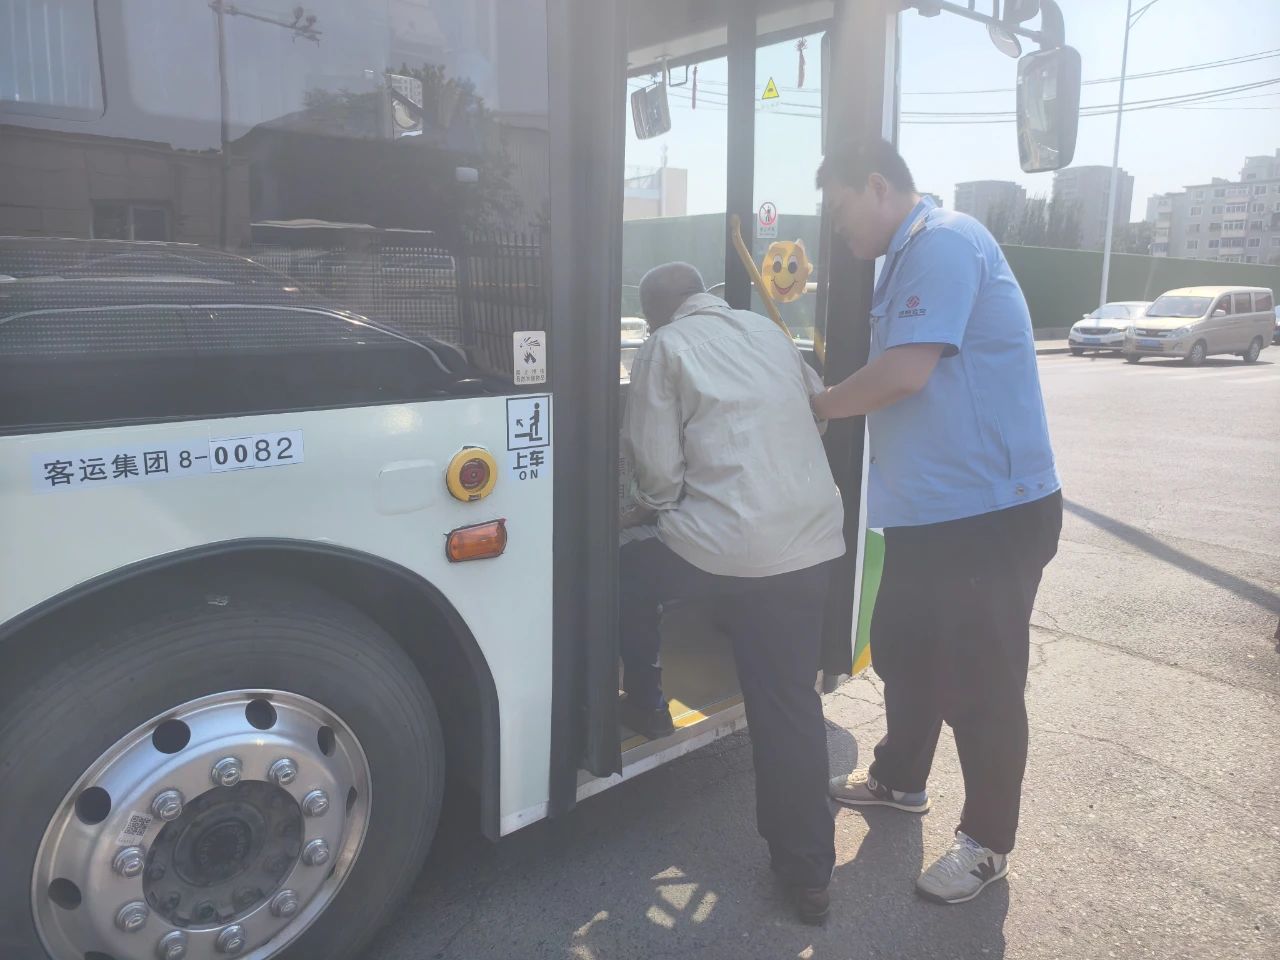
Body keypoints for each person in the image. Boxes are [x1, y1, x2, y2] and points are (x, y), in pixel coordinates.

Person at [812, 139, 1062, 906]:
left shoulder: (943, 243)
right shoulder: (902, 261)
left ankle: (987, 844)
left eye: (841, 210)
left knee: (982, 684)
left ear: (877, 185)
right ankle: (900, 780)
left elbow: (906, 372)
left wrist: (816, 406)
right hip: (931, 514)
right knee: (904, 649)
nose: (838, 230)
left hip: (989, 513)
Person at [619, 262, 845, 923]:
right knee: (788, 703)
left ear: (655, 314)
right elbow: (816, 417)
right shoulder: (766, 330)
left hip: (730, 554)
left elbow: (658, 478)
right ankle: (808, 874)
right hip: (812, 541)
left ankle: (646, 700)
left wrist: (644, 509)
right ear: (703, 296)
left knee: (629, 566)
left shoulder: (663, 348)